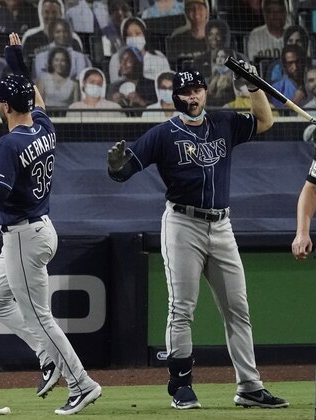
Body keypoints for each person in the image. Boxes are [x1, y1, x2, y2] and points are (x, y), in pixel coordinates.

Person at [107, 64, 289, 410]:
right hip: (182, 224)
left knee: (238, 307)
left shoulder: (223, 122)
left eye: (198, 90)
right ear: (175, 97)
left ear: (205, 92)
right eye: (186, 92)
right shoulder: (163, 133)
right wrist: (115, 165)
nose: (193, 96)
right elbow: (124, 171)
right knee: (182, 308)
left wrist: (252, 87)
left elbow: (265, 121)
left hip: (221, 224)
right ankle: (181, 385)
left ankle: (249, 387)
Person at [0, 32, 102, 416]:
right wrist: (16, 61)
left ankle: (82, 384)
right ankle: (48, 358)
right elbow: (35, 100)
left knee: (39, 316)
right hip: (39, 227)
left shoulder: (11, 143)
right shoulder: (44, 126)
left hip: (23, 236)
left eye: (0, 102)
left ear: (5, 107)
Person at [107, 17, 171, 83]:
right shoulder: (116, 59)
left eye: (138, 33)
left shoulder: (158, 57)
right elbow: (115, 86)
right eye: (129, 35)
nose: (134, 37)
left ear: (144, 35)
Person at [107, 46, 157, 113]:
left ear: (138, 64)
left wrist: (141, 102)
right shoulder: (113, 87)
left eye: (129, 60)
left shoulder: (151, 85)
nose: (123, 64)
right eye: (122, 60)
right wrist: (113, 104)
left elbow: (159, 109)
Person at [165, 0, 209, 69]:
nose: (196, 12)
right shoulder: (176, 41)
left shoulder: (219, 39)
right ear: (186, 12)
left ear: (207, 11)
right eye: (191, 9)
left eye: (200, 8)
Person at [35, 46, 80, 111]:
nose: (59, 63)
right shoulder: (43, 81)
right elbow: (39, 105)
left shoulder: (74, 84)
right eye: (56, 60)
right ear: (52, 62)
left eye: (63, 60)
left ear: (67, 63)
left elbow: (76, 107)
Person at [270, 44, 307, 108]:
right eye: (290, 63)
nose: (295, 67)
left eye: (297, 62)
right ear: (285, 65)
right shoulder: (277, 88)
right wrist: (295, 102)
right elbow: (278, 114)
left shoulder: (312, 82)